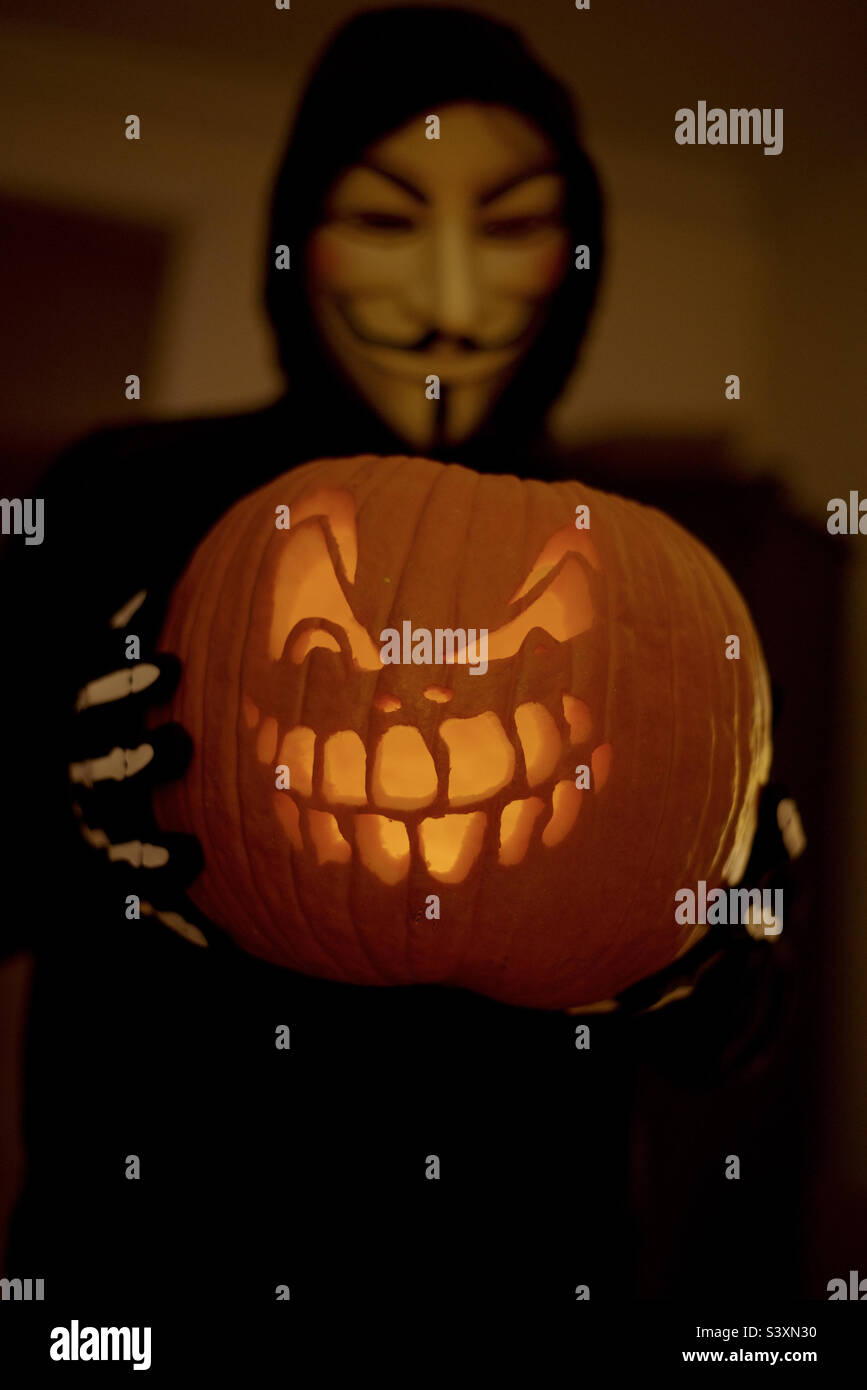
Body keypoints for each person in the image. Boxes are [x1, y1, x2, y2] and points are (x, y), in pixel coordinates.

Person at [3, 6, 794, 1313]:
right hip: (150, 1284)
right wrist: (50, 797)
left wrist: (716, 948)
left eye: (512, 224)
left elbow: (731, 1034)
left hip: (522, 1292)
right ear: (294, 238)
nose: (447, 302)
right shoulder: (129, 497)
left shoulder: (663, 582)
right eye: (381, 219)